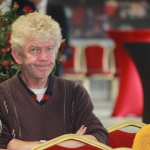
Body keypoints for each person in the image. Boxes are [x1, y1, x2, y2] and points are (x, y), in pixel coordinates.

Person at [0, 12, 108, 150]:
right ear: (18, 55)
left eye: (49, 49)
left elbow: (99, 137)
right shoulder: (2, 95)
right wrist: (72, 141)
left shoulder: (75, 92)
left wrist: (32, 146)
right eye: (34, 50)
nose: (44, 57)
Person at [31, 0, 72, 77]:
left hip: (53, 53)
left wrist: (63, 53)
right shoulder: (24, 7)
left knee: (53, 82)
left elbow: (65, 31)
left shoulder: (57, 8)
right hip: (32, 53)